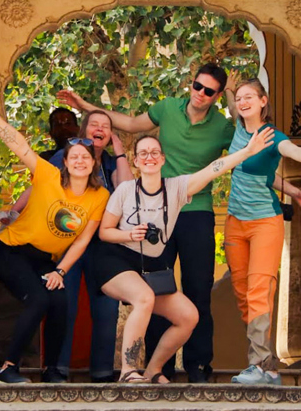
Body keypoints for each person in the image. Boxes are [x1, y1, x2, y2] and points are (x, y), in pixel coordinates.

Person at [57, 64, 301, 383]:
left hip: (197, 211)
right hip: (158, 211)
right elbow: (127, 122)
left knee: (198, 290)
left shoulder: (224, 129)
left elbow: (251, 163)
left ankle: (198, 366)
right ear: (191, 83)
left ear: (218, 95)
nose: (200, 93)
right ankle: (158, 369)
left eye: (209, 91)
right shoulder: (168, 108)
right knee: (154, 287)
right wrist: (86, 106)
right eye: (197, 86)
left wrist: (294, 192)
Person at [94, 129, 275, 383]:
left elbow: (214, 168)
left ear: (163, 159)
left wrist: (247, 151)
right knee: (144, 297)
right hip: (115, 260)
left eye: (154, 152)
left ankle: (152, 371)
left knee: (188, 316)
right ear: (135, 161)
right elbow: (104, 232)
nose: (149, 157)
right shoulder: (124, 191)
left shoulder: (176, 188)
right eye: (143, 153)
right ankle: (128, 371)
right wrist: (130, 235)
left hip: (149, 265)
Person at [0, 85, 110, 384]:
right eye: (73, 157)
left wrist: (60, 270)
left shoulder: (99, 196)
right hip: (12, 251)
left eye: (85, 157)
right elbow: (20, 147)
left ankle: (52, 372)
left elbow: (83, 240)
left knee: (60, 301)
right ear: (65, 162)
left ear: (93, 162)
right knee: (38, 300)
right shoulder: (48, 176)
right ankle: (8, 368)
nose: (80, 161)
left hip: (46, 260)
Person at [224, 79, 301, 385]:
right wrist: (230, 90)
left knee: (258, 290)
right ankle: (266, 367)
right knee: (243, 295)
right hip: (234, 223)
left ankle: (256, 364)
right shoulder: (240, 131)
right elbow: (263, 176)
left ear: (263, 101)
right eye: (240, 99)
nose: (243, 102)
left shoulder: (272, 137)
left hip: (265, 221)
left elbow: (293, 151)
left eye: (249, 97)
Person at [11, 110, 132, 382]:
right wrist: (14, 211)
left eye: (106, 126)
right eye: (94, 124)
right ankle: (56, 369)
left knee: (106, 307)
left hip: (104, 245)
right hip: (69, 241)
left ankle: (102, 372)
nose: (100, 129)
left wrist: (120, 150)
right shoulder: (67, 156)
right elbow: (42, 184)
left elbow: (126, 191)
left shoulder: (112, 162)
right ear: (83, 131)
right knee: (64, 303)